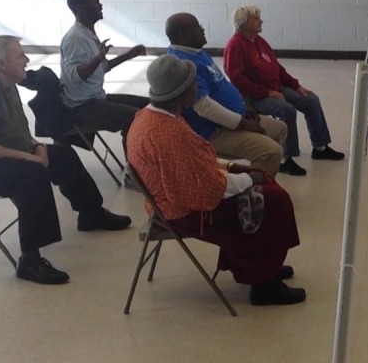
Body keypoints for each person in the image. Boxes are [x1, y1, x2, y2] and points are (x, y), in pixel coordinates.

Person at [0, 35, 132, 285]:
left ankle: (90, 213)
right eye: (20, 55)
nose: (27, 60)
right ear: (2, 63)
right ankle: (30, 259)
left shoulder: (6, 83)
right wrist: (27, 156)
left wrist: (37, 146)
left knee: (62, 155)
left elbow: (16, 132)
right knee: (31, 174)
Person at [127, 55, 306, 306]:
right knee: (274, 200)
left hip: (167, 199)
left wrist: (234, 168)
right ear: (180, 93)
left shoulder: (150, 116)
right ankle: (264, 285)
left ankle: (266, 265)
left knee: (265, 184)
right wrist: (246, 178)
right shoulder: (171, 133)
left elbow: (195, 169)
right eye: (193, 84)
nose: (197, 87)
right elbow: (210, 192)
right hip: (181, 211)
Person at [222, 5, 343, 176]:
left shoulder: (259, 41)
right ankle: (286, 158)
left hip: (275, 87)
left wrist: (296, 86)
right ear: (243, 23)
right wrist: (266, 93)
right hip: (254, 96)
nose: (260, 21)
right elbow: (238, 80)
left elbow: (277, 68)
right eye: (256, 18)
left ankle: (320, 147)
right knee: (286, 110)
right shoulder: (235, 46)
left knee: (311, 100)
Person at [164, 12, 289, 177]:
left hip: (235, 117)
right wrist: (243, 124)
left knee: (280, 129)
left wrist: (245, 105)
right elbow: (204, 108)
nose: (202, 29)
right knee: (271, 152)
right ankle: (254, 190)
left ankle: (259, 179)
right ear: (183, 35)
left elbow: (221, 83)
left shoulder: (196, 52)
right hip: (212, 130)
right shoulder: (184, 64)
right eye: (197, 27)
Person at [59, 0, 149, 145]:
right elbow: (76, 76)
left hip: (96, 98)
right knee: (136, 116)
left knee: (149, 106)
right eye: (95, 2)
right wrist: (98, 58)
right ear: (80, 8)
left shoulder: (88, 34)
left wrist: (128, 55)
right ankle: (135, 164)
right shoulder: (75, 38)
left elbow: (102, 68)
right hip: (83, 107)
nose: (100, 6)